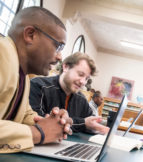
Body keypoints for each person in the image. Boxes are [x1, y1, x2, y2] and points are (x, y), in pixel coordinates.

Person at [0, 7, 73, 153]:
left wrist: (53, 123)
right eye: (58, 46)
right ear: (30, 35)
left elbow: (24, 115)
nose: (60, 57)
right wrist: (38, 133)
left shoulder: (23, 75)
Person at [30, 52, 109, 134]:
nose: (83, 82)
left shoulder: (81, 99)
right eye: (80, 74)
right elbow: (38, 121)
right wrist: (82, 123)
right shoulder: (38, 86)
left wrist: (96, 126)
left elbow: (91, 122)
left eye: (86, 79)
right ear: (66, 67)